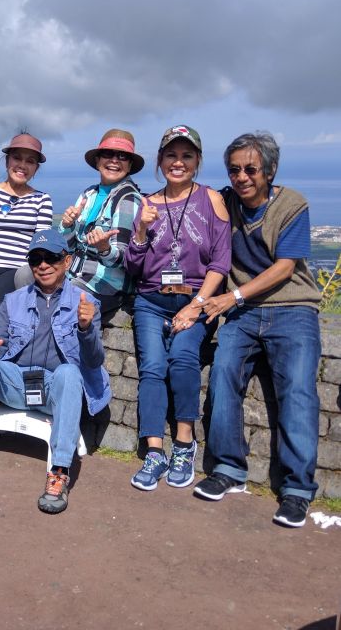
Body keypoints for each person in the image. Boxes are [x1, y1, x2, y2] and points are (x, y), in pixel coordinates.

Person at [195, 131, 321, 528]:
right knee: (224, 376)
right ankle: (228, 469)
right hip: (245, 311)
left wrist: (231, 299)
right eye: (234, 169)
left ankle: (297, 490)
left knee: (298, 389)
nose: (242, 177)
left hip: (292, 307)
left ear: (269, 171)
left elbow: (285, 267)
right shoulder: (224, 202)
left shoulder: (292, 204)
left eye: (251, 169)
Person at [0, 229, 111, 515]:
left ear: (67, 261)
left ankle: (59, 469)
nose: (43, 265)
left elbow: (94, 361)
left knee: (70, 373)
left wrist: (86, 329)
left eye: (51, 258)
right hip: (16, 384)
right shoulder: (14, 301)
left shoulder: (86, 304)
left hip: (54, 390)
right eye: (36, 259)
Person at [124, 125, 231, 491]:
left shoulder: (212, 200)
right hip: (151, 301)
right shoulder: (148, 204)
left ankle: (184, 444)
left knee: (184, 360)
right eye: (171, 155)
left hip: (193, 301)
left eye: (186, 156)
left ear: (198, 161)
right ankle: (155, 450)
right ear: (160, 161)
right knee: (152, 368)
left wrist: (198, 305)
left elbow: (220, 262)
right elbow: (134, 266)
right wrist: (140, 231)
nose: (178, 162)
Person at [59, 128, 143, 316]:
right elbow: (70, 247)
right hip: (74, 274)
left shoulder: (128, 200)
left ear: (129, 166)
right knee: (26, 277)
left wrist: (105, 248)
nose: (114, 160)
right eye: (108, 154)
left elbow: (124, 260)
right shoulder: (88, 194)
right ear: (98, 161)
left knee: (58, 304)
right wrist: (67, 226)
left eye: (122, 156)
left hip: (107, 285)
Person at [0, 133, 53, 304]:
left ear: (36, 168)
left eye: (30, 161)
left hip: (18, 268)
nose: (22, 165)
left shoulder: (42, 200)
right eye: (17, 158)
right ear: (7, 161)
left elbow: (41, 241)